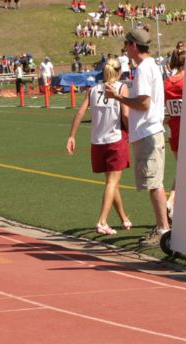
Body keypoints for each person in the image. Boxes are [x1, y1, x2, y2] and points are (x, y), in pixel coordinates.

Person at [104, 28, 168, 247]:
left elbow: (143, 102)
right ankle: (163, 225)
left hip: (148, 131)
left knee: (154, 182)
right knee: (153, 182)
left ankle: (163, 228)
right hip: (150, 130)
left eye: (126, 43)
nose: (125, 48)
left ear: (133, 45)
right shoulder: (151, 67)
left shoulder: (143, 69)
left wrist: (118, 97)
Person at [66, 57, 132, 235]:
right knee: (112, 182)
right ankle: (102, 221)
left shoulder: (93, 89)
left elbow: (80, 112)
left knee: (111, 182)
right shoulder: (120, 87)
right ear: (119, 73)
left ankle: (124, 218)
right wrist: (134, 133)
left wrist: (72, 136)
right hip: (115, 139)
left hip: (98, 142)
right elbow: (125, 115)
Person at [162, 49, 185, 219]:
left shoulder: (168, 83)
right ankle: (171, 202)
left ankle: (175, 205)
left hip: (174, 129)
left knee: (181, 168)